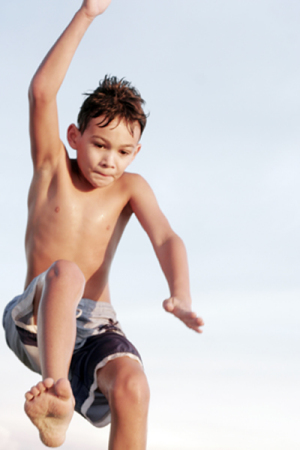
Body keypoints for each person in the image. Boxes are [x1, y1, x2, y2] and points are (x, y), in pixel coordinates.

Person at [2, 0, 204, 448]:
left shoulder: (131, 188)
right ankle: (56, 392)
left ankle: (68, 392)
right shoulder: (53, 167)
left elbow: (166, 236)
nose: (109, 160)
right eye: (99, 144)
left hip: (95, 324)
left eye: (123, 151)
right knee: (67, 272)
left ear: (135, 153)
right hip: (37, 317)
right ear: (75, 137)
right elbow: (41, 93)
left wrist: (180, 292)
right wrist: (88, 14)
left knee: (134, 387)